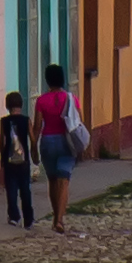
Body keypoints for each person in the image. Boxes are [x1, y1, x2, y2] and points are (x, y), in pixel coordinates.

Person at [29, 64, 88, 233]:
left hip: (48, 142)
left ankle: (55, 215)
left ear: (47, 79)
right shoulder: (71, 98)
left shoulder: (41, 101)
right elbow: (79, 122)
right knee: (64, 181)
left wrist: (34, 147)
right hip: (66, 142)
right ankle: (59, 220)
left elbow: (37, 126)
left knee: (52, 181)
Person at [0, 89, 37, 227]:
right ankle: (28, 219)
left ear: (7, 106)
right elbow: (32, 138)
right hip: (23, 161)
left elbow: (2, 141)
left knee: (11, 189)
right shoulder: (26, 120)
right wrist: (34, 153)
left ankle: (14, 216)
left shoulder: (4, 121)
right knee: (25, 189)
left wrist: (2, 156)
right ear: (21, 105)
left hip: (10, 160)